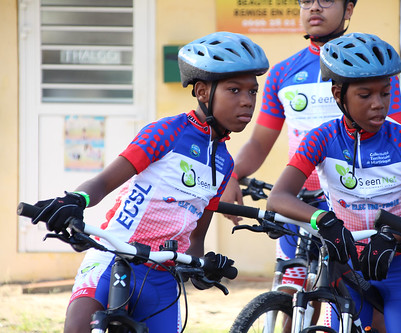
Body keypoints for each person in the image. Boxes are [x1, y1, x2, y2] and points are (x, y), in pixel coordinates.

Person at [28, 32, 269, 333]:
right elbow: (103, 182)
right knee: (78, 328)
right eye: (235, 90)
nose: (247, 102)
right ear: (203, 92)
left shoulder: (224, 163)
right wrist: (75, 200)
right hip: (113, 258)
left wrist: (202, 267)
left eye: (252, 92)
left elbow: (195, 240)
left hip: (163, 280)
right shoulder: (166, 132)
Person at [267, 33, 401, 332]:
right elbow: (279, 197)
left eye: (385, 93)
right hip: (344, 266)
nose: (379, 105)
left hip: (399, 266)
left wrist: (393, 237)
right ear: (338, 95)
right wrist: (322, 219)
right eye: (365, 95)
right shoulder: (321, 138)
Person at [221, 0, 401, 293]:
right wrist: (231, 173)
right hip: (297, 201)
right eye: (306, 1)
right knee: (290, 291)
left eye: (327, 0)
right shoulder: (282, 73)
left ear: (348, 10)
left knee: (355, 293)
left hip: (353, 203)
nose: (314, 8)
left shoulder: (373, 71)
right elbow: (258, 143)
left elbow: (398, 138)